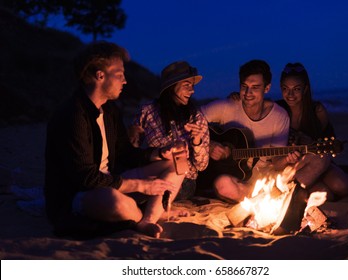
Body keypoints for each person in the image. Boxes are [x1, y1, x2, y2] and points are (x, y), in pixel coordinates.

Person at [44, 41, 185, 238]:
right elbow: (87, 179)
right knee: (113, 201)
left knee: (175, 163)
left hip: (113, 180)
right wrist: (141, 186)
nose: (124, 81)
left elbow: (125, 153)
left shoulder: (110, 110)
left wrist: (158, 153)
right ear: (100, 75)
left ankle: (146, 220)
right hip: (80, 194)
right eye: (119, 75)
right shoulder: (73, 115)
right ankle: (143, 216)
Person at [198, 59, 291, 203]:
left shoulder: (279, 116)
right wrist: (209, 145)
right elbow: (190, 121)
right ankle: (260, 200)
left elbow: (277, 162)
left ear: (266, 88)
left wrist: (287, 159)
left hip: (260, 178)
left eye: (255, 87)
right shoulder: (227, 106)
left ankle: (259, 197)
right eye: (244, 86)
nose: (248, 93)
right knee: (223, 185)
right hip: (231, 175)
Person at [129, 61, 209, 200]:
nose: (192, 91)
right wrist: (133, 135)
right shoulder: (148, 112)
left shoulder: (196, 118)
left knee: (161, 191)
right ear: (171, 87)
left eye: (192, 86)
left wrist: (197, 141)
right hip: (155, 173)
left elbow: (201, 166)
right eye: (186, 85)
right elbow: (132, 150)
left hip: (185, 181)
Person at [277, 62, 348, 200]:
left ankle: (347, 172)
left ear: (305, 89)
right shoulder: (277, 109)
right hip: (291, 167)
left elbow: (331, 146)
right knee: (326, 195)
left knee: (343, 186)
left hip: (317, 161)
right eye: (285, 89)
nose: (290, 94)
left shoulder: (317, 111)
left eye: (296, 89)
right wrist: (235, 97)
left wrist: (310, 141)